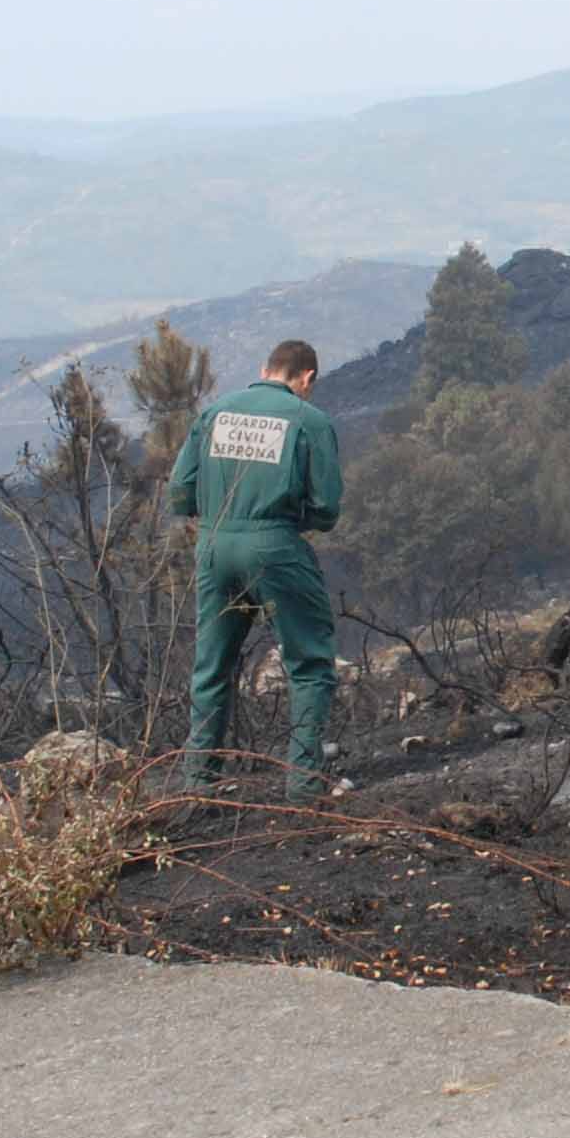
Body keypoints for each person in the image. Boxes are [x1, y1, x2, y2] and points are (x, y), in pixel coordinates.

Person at [169, 339, 348, 799]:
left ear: (263, 369)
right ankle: (304, 786)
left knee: (211, 666)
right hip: (275, 549)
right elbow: (327, 508)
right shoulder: (309, 420)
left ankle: (198, 784)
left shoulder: (215, 413)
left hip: (213, 545)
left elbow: (179, 492)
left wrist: (216, 519)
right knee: (308, 662)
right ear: (307, 379)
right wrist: (286, 522)